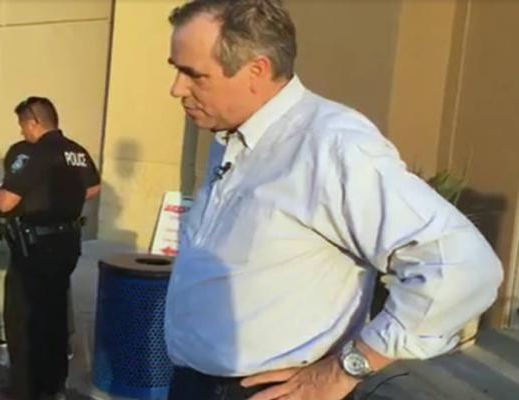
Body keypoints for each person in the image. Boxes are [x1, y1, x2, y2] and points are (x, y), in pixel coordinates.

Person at [163, 1, 504, 399]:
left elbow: (462, 266)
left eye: (193, 74)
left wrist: (349, 367)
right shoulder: (235, 139)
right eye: (176, 69)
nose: (177, 89)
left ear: (256, 71)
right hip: (195, 383)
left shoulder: (332, 146)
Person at [0, 96, 100, 400]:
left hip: (34, 247)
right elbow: (93, 187)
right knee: (54, 315)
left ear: (34, 121)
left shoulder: (37, 153)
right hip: (67, 243)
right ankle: (53, 386)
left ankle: (24, 390)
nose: (22, 131)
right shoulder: (77, 152)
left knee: (22, 319)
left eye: (23, 124)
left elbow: (8, 200)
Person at [0, 140, 78, 360]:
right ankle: (4, 330)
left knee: (53, 286)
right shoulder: (19, 150)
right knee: (4, 279)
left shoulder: (61, 154)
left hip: (43, 236)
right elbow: (8, 193)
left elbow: (89, 188)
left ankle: (60, 338)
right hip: (11, 232)